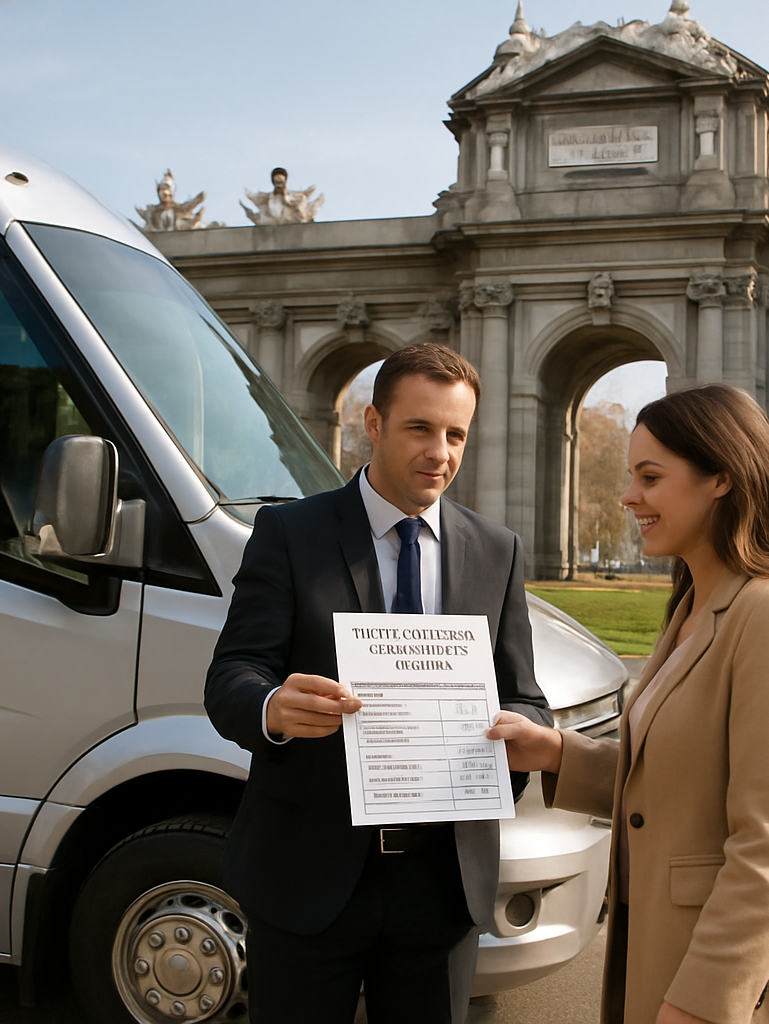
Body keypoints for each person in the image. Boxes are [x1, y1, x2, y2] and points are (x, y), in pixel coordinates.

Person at [204, 342, 551, 1024]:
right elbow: (231, 675)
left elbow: (524, 694)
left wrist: (513, 738)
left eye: (455, 434)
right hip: (309, 875)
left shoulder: (495, 550)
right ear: (373, 424)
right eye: (420, 428)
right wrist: (273, 705)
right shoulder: (288, 533)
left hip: (442, 884)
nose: (440, 453)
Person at [488, 384, 769, 1024]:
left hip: (728, 983)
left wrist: (699, 1004)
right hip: (662, 947)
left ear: (721, 477)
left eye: (650, 477)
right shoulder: (692, 607)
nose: (629, 496)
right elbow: (683, 785)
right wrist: (557, 753)